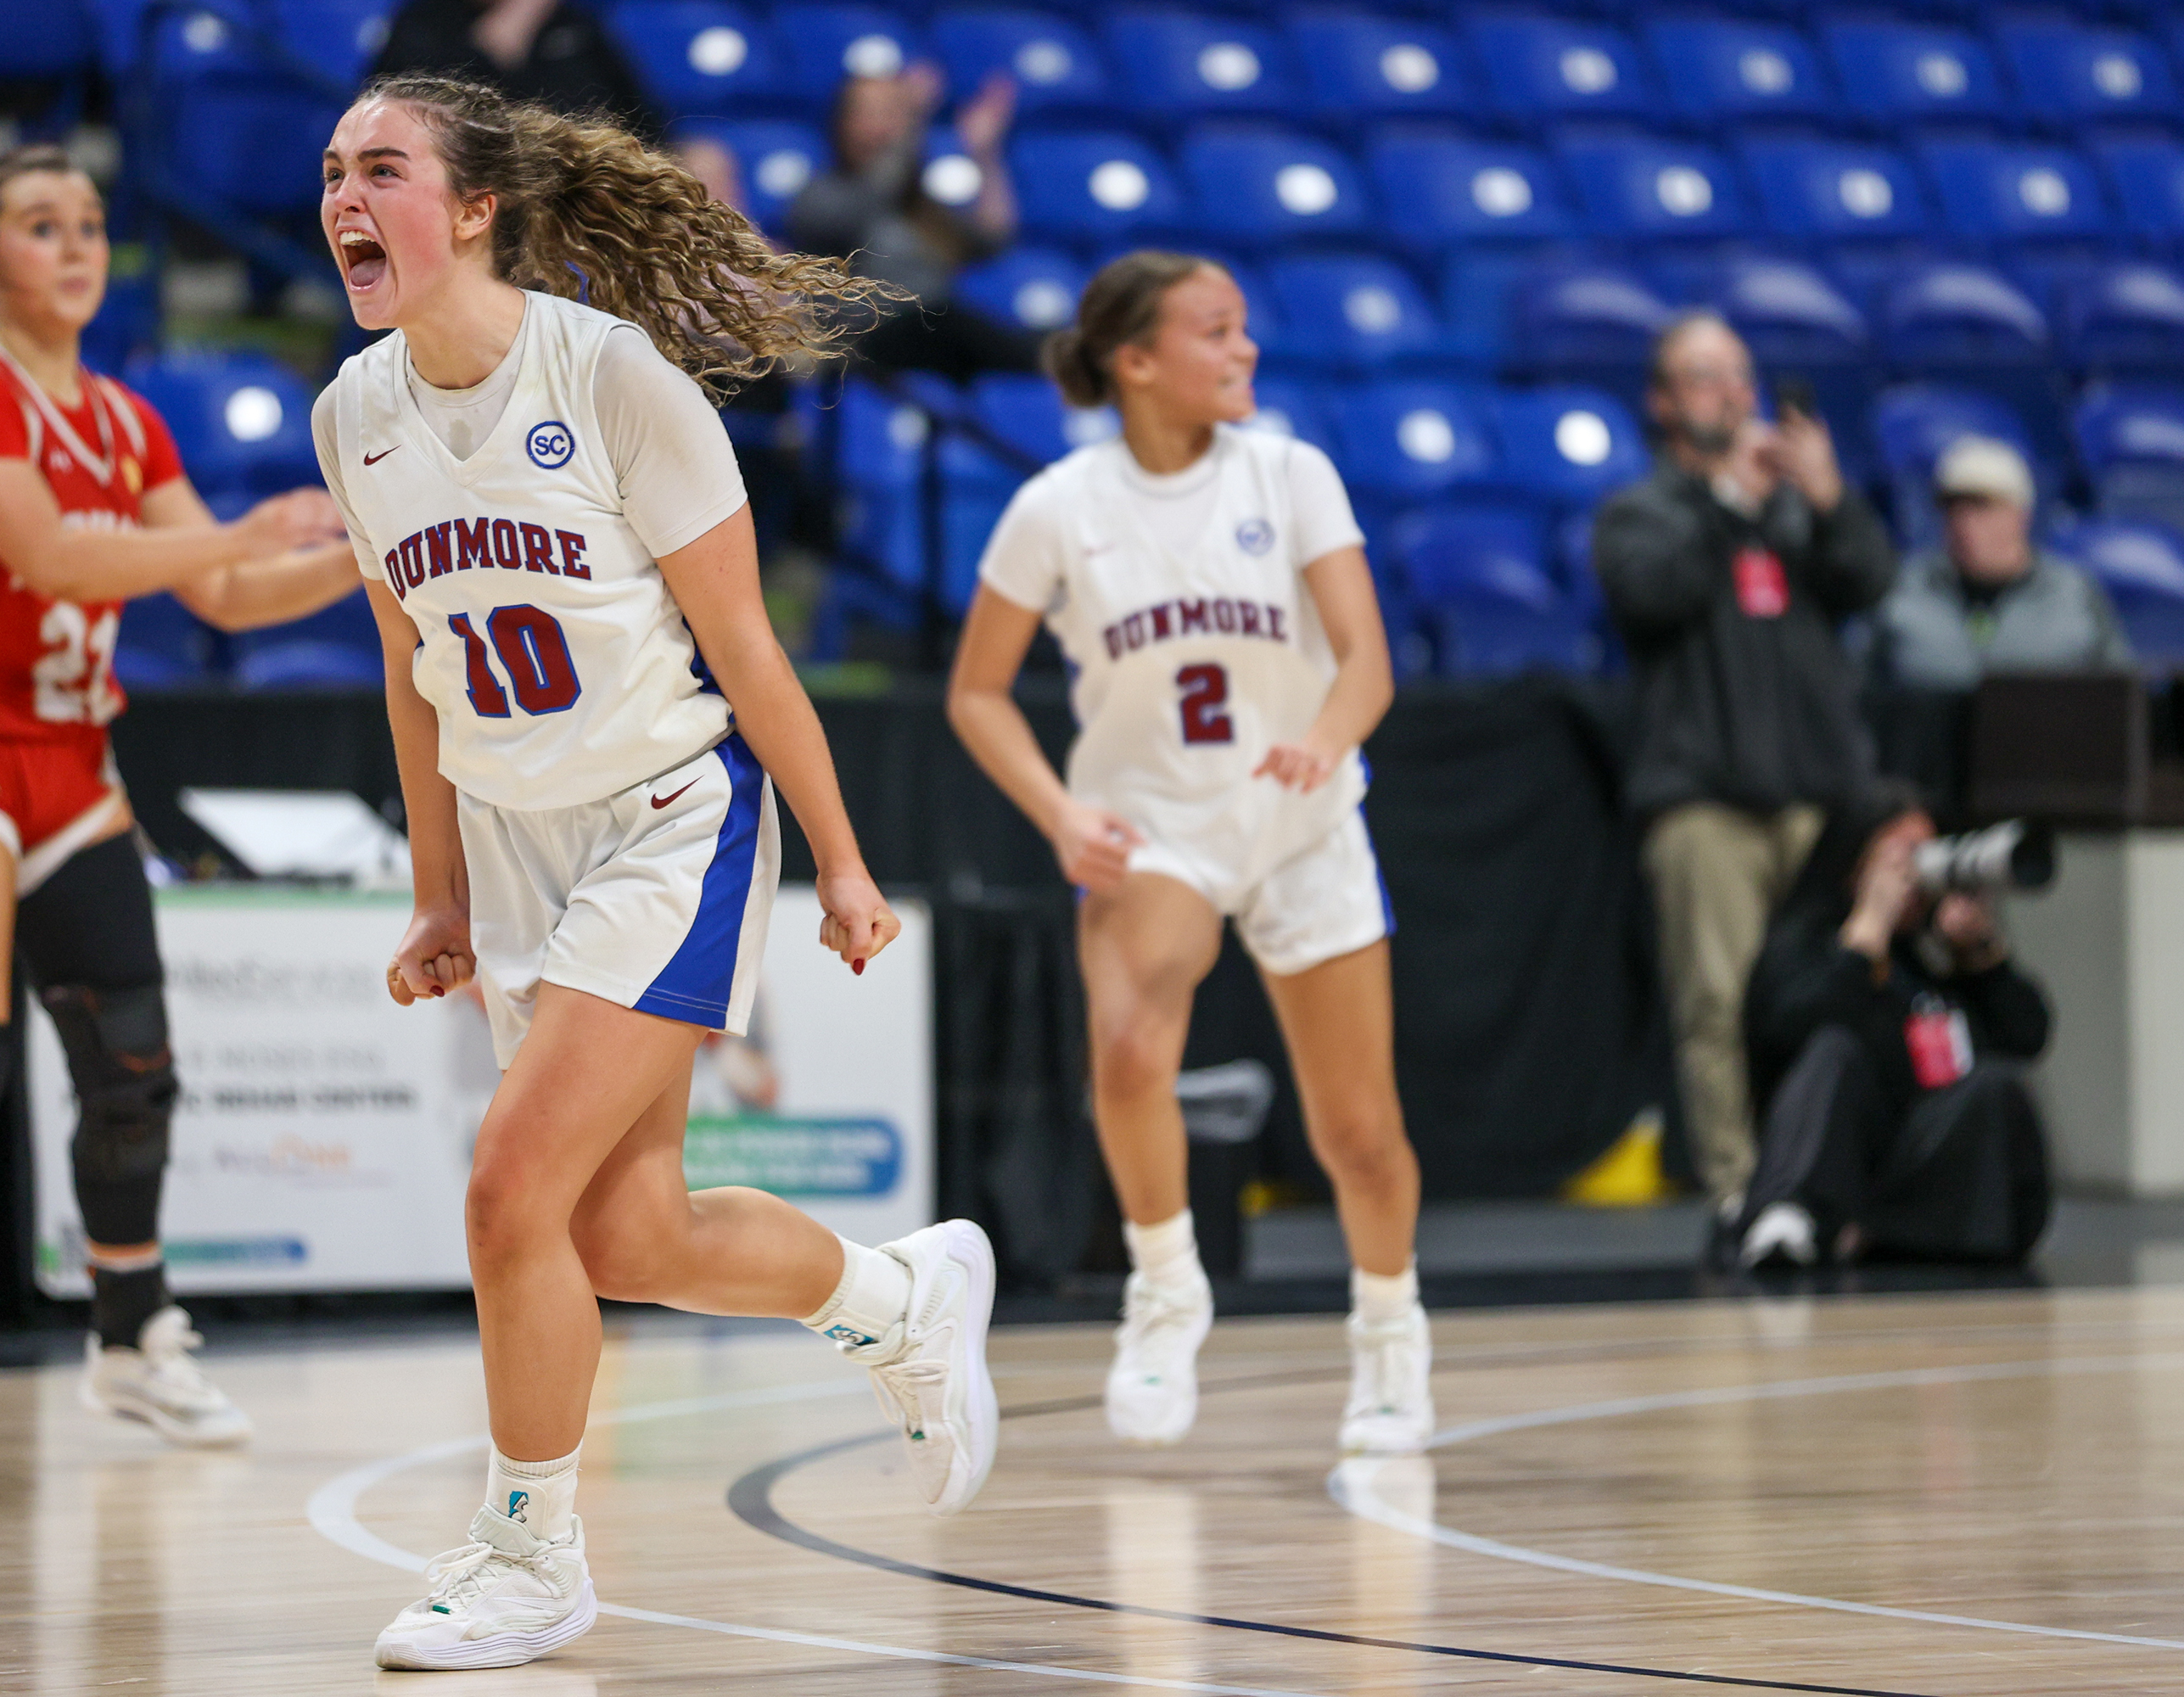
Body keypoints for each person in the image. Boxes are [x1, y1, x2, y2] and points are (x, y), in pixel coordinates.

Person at [313, 76, 999, 1671]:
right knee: (627, 1236)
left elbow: (749, 648)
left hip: (663, 820)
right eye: (334, 172)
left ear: (473, 205)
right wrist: (438, 894)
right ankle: (898, 1300)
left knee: (506, 1189)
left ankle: (530, 1555)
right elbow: (412, 675)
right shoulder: (354, 413)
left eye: (384, 169)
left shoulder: (612, 378)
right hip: (511, 843)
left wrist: (839, 860)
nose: (347, 197)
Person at [0, 145, 360, 1467]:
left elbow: (228, 602)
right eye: (43, 227)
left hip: (71, 762)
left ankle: (131, 1338)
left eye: (93, 225)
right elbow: (55, 555)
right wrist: (236, 534)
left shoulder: (126, 417)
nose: (76, 247)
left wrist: (379, 556)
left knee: (133, 1069)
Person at [946, 250, 1432, 1455]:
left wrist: (1324, 740)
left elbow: (1367, 658)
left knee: (1358, 1130)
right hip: (1151, 822)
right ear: (1137, 360)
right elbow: (977, 693)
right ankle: (1164, 1289)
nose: (1245, 352)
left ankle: (1389, 1334)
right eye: (1217, 332)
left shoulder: (1291, 471)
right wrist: (1060, 812)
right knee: (1124, 1048)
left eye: (1246, 330)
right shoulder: (1058, 505)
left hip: (1297, 815)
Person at [1591, 311, 1897, 1262]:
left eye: (1737, 374)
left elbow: (1871, 581)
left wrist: (1831, 495)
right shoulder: (1644, 512)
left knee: (1827, 993)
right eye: (1703, 376)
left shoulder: (1796, 510)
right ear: (1664, 399)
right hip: (1706, 802)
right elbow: (1655, 593)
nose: (1729, 392)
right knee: (1716, 1006)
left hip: (1813, 796)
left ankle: (1815, 1182)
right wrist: (1729, 503)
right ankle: (1739, 1190)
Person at [1736, 794, 2053, 1269]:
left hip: (1917, 1166)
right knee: (1834, 1050)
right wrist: (1864, 939)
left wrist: (1983, 959)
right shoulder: (1805, 944)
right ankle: (1790, 1211)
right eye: (1900, 858)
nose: (1914, 877)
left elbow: (2026, 1038)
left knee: (1996, 1085)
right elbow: (1785, 1032)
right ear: (1853, 865)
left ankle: (1887, 1231)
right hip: (1835, 1155)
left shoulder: (1928, 962)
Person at [787, 64, 1037, 380]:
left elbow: (992, 238)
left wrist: (984, 155)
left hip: (936, 338)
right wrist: (913, 122)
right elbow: (867, 202)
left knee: (1018, 342)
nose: (884, 129)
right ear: (841, 123)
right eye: (871, 113)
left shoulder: (921, 204)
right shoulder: (821, 196)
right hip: (862, 343)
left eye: (893, 114)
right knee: (949, 326)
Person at [1868, 435, 2133, 689]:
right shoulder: (1902, 589)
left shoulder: (2074, 593)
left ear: (2020, 514)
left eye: (1982, 506)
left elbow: (2120, 697)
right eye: (1953, 507)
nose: (1965, 523)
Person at [372, 0, 663, 137]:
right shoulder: (419, 25)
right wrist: (505, 34)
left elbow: (641, 118)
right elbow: (427, 129)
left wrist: (682, 155)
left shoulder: (573, 25)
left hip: (593, 187)